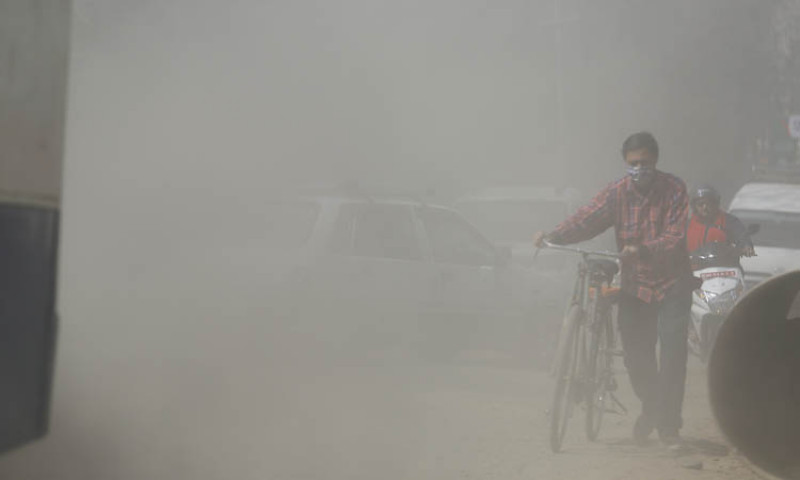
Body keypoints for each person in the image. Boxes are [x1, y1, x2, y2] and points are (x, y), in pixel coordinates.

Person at [533, 131, 692, 446]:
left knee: (673, 353)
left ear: (655, 161)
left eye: (645, 162)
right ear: (625, 163)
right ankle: (651, 406)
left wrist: (644, 249)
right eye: (633, 163)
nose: (639, 168)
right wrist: (552, 236)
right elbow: (586, 220)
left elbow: (675, 235)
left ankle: (669, 426)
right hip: (635, 285)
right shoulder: (616, 193)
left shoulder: (674, 189)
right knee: (636, 357)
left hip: (672, 282)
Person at [686, 184, 755, 257]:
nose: (705, 207)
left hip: (724, 266)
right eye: (700, 204)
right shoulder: (687, 226)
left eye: (708, 203)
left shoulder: (729, 221)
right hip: (694, 266)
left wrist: (746, 246)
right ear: (694, 206)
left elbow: (741, 235)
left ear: (715, 204)